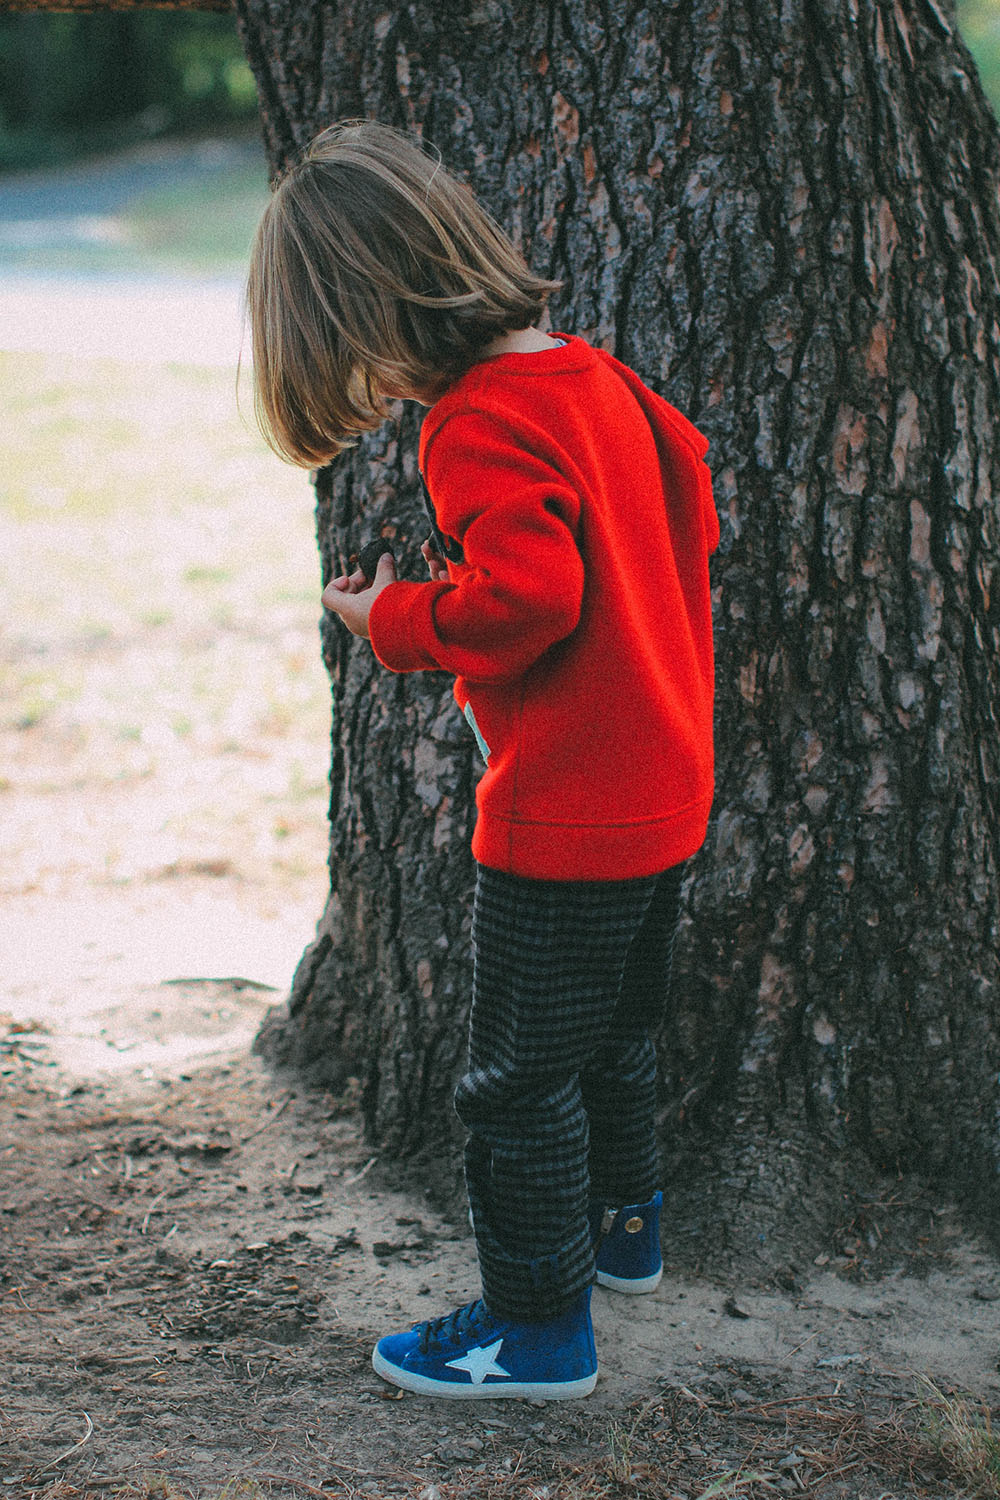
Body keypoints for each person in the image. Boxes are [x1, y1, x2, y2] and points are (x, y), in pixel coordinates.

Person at [246, 118, 720, 1401]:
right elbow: (691, 491)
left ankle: (536, 1335)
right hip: (666, 781)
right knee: (615, 1040)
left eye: (361, 365)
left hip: (566, 815)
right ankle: (627, 1239)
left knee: (513, 1083)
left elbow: (528, 602)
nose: (383, 397)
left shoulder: (474, 421)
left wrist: (393, 619)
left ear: (379, 313)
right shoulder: (592, 374)